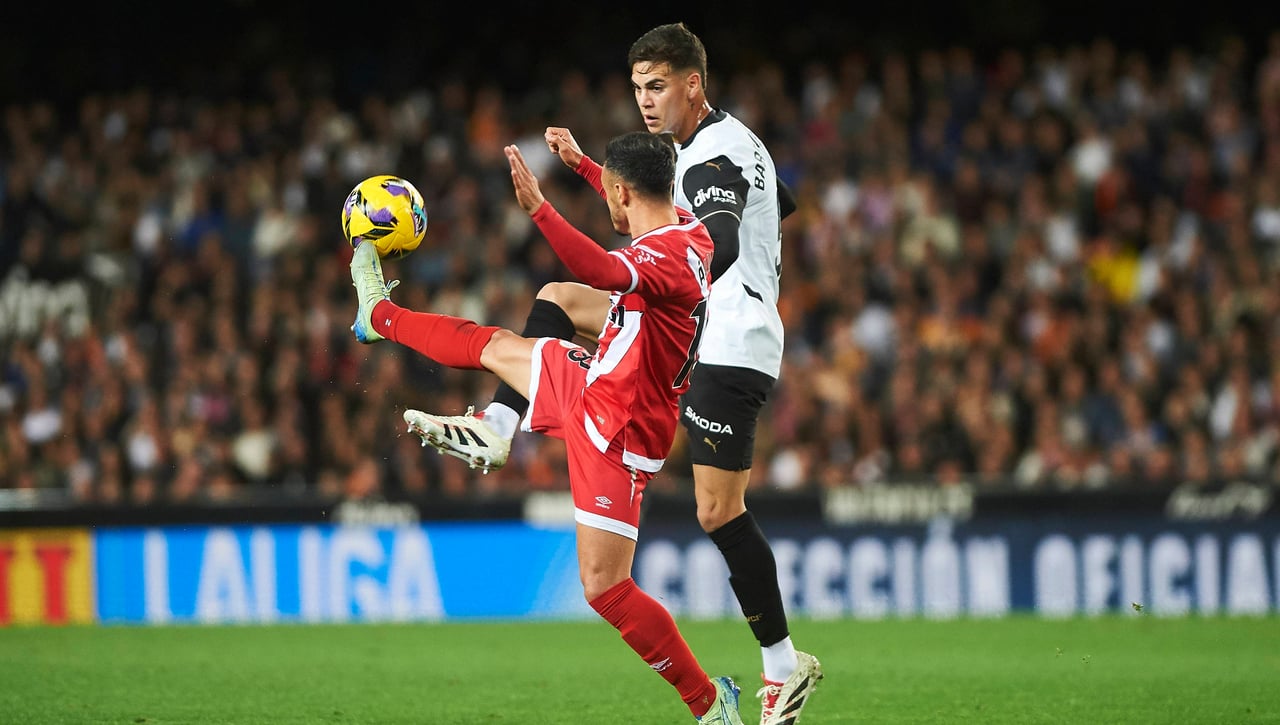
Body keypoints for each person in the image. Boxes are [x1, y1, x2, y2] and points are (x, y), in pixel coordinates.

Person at [404, 22, 822, 724]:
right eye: (637, 89)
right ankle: (499, 423)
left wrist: (569, 217)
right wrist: (593, 174)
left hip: (721, 336)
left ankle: (782, 665)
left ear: (694, 83)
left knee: (718, 510)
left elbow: (707, 242)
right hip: (706, 328)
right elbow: (757, 206)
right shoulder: (726, 143)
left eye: (657, 86)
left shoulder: (713, 159)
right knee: (560, 301)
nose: (646, 103)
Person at [350, 131, 744, 724]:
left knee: (606, 588)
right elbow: (618, 221)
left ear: (623, 192)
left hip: (619, 427)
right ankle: (448, 378)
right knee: (520, 326)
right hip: (605, 377)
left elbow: (602, 267)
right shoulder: (689, 228)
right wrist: (584, 164)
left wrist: (540, 208)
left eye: (608, 190)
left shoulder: (658, 259)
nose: (608, 203)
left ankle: (712, 707)